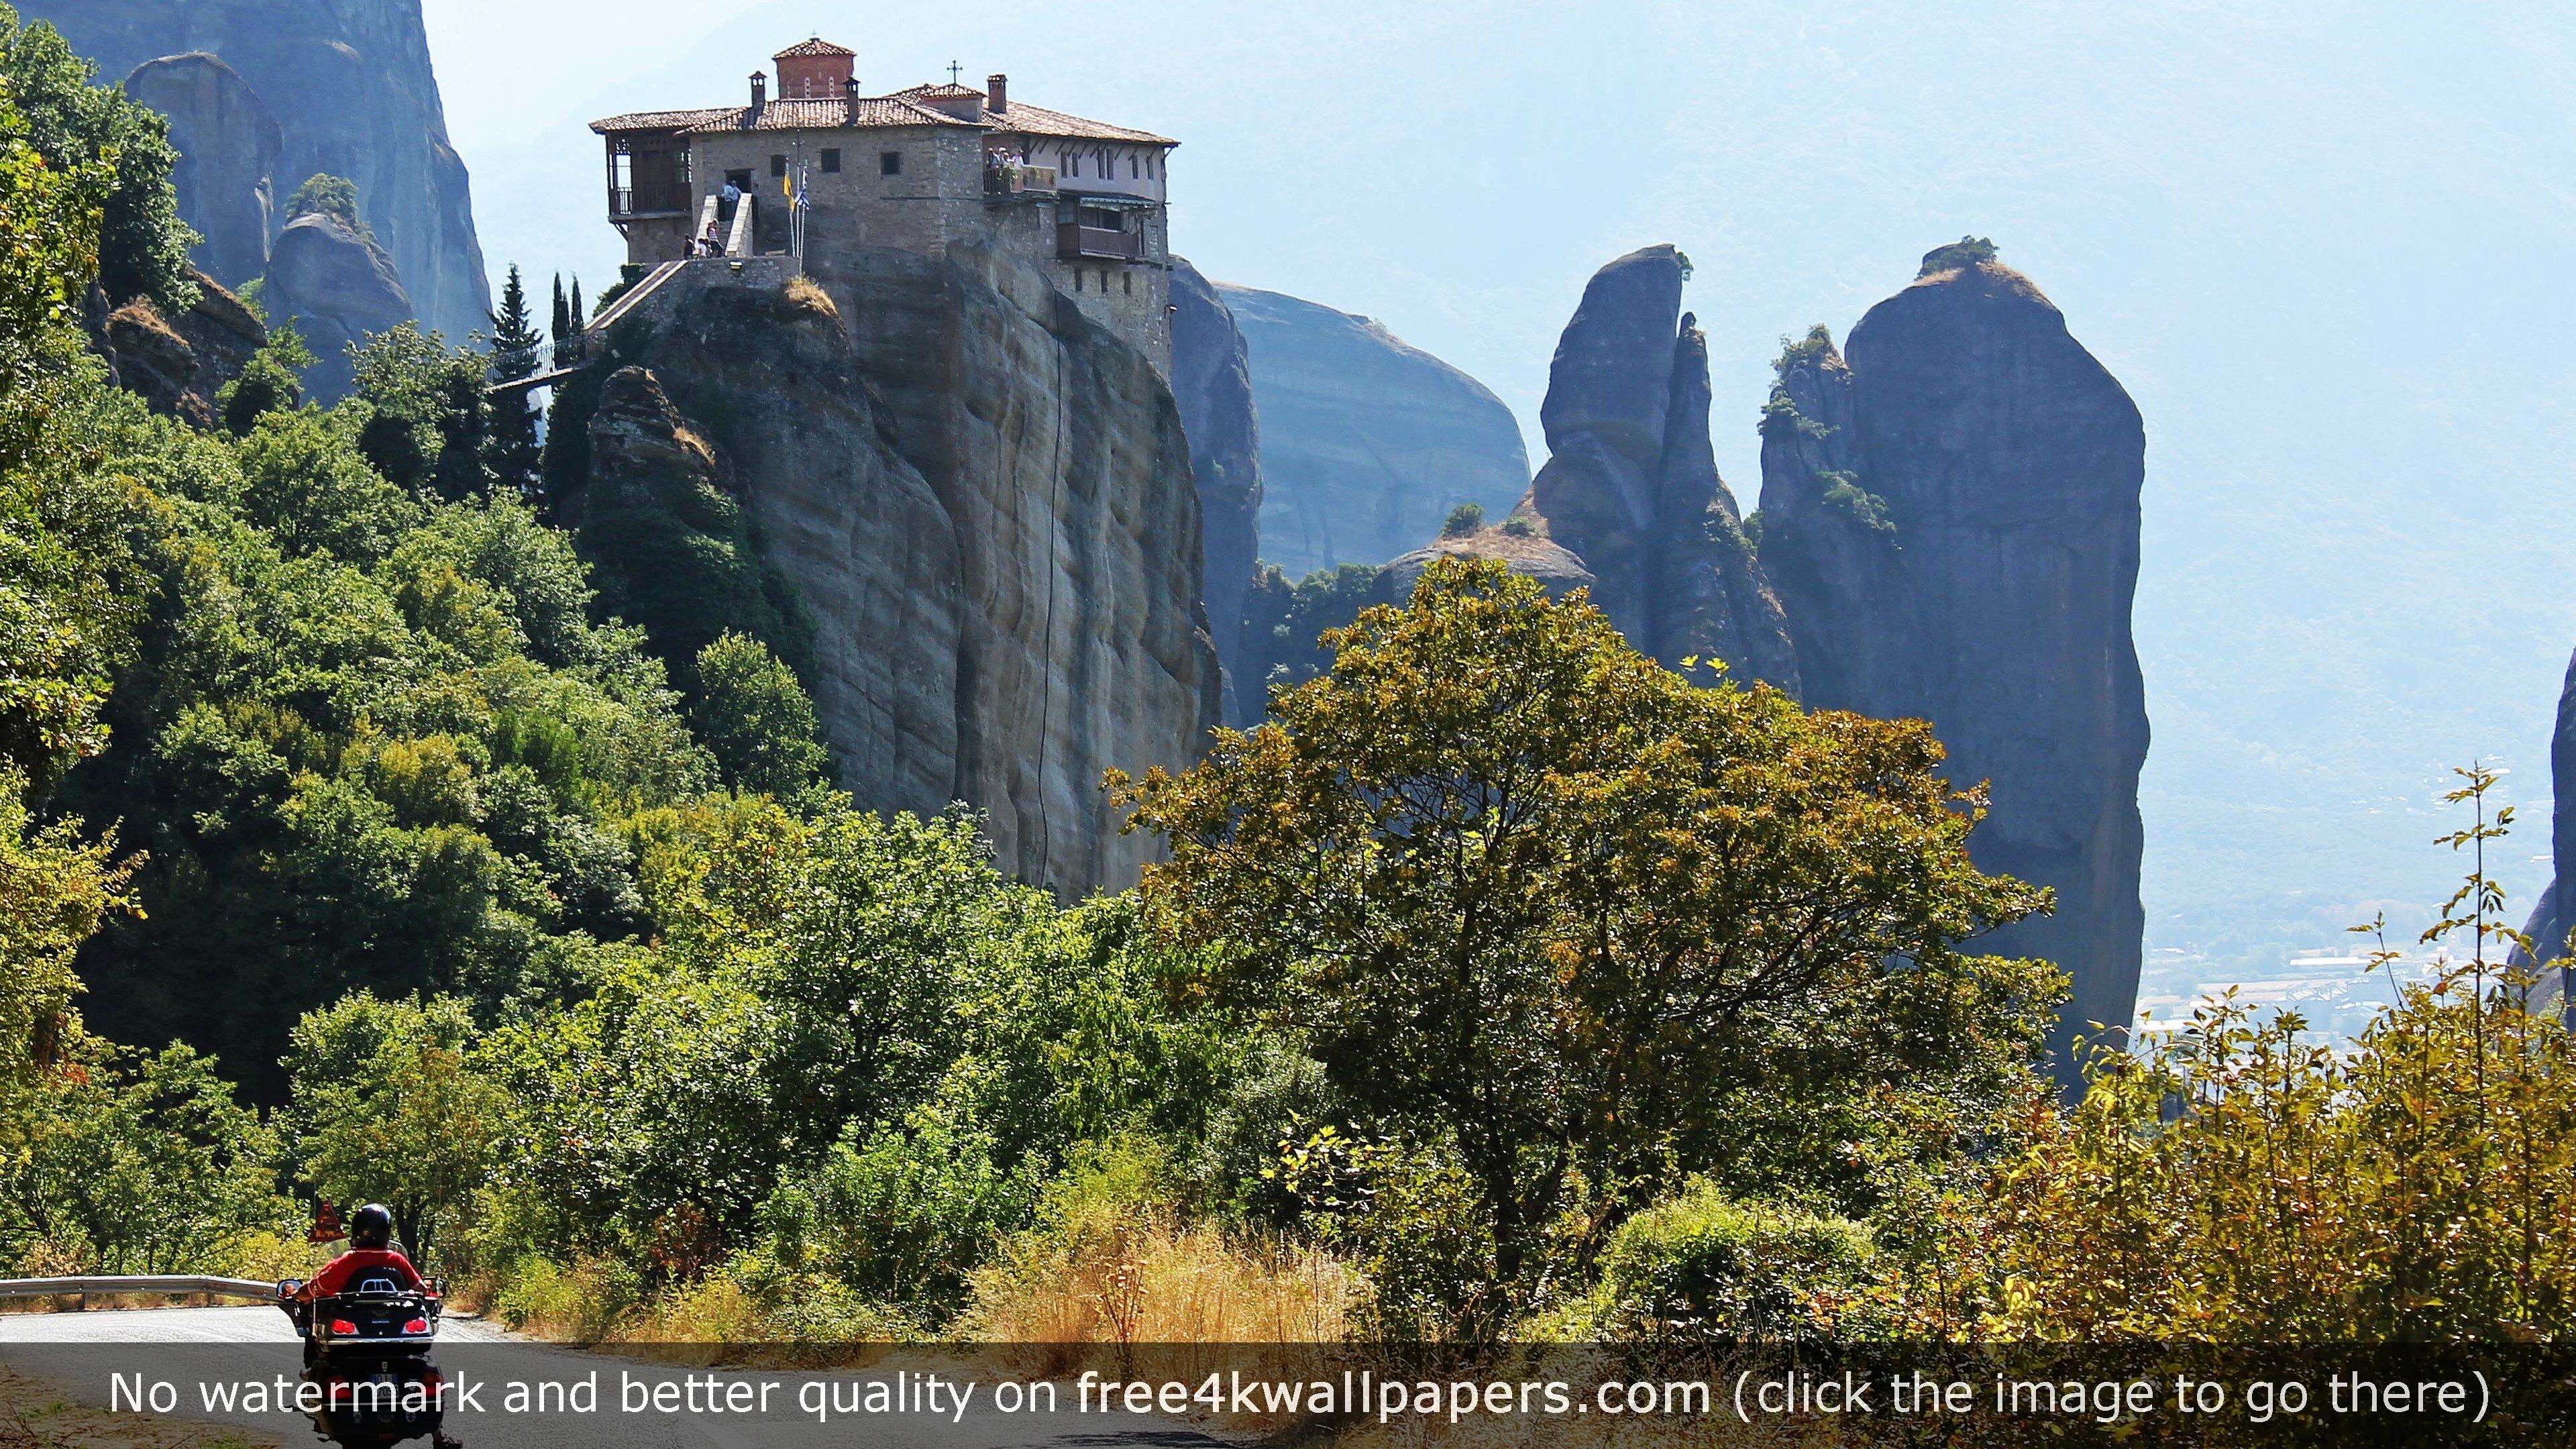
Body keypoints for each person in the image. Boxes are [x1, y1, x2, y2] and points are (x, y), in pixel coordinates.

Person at [296, 1203, 429, 1302]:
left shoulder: (345, 1263)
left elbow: (314, 1290)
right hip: (396, 1323)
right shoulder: (397, 1261)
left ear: (357, 1231)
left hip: (352, 1323)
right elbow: (421, 1289)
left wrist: (298, 1294)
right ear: (387, 1232)